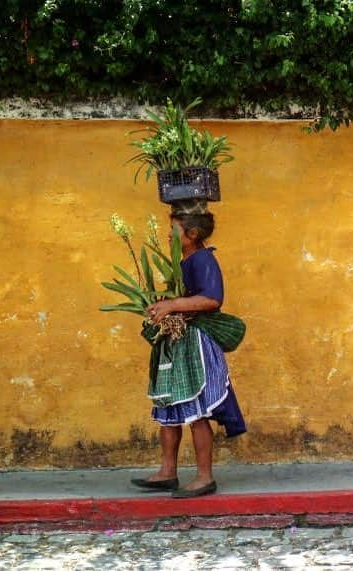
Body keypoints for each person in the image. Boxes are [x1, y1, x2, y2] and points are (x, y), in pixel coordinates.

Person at [130, 208, 246, 498]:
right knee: (168, 407)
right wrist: (163, 304)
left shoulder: (204, 259)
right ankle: (167, 472)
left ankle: (204, 476)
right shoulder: (182, 262)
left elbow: (211, 299)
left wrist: (173, 305)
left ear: (192, 235)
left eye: (174, 230)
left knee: (196, 410)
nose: (169, 234)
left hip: (196, 343)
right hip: (177, 342)